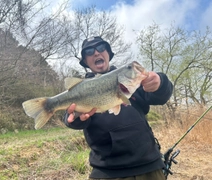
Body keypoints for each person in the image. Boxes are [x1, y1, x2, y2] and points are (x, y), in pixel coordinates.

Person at [63, 36, 173, 180]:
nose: (96, 53)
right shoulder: (81, 89)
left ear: (108, 53)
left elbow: (161, 97)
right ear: (85, 61)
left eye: (101, 48)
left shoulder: (131, 80)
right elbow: (70, 118)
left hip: (150, 166)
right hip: (107, 172)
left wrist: (160, 82)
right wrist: (75, 118)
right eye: (89, 51)